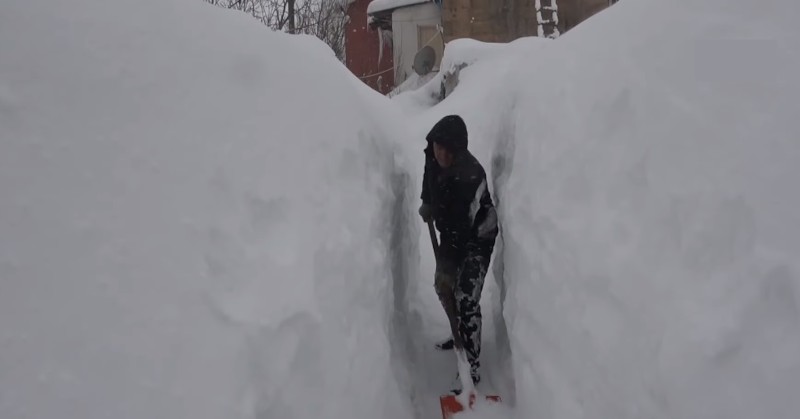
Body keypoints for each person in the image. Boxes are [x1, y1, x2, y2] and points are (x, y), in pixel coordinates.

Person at [418, 114, 498, 392]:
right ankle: (459, 331)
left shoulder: (471, 175)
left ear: (458, 151)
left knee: (465, 295)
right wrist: (426, 201)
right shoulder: (433, 157)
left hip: (477, 237)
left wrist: (450, 267)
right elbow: (429, 180)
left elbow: (462, 232)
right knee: (443, 288)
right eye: (438, 146)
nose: (441, 153)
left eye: (447, 150)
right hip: (451, 233)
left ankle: (472, 365)